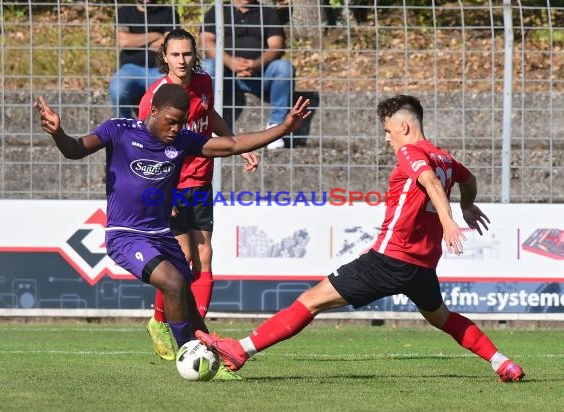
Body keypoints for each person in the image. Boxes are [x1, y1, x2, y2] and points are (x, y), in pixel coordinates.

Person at [195, 95, 525, 383]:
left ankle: (240, 351)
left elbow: (430, 183)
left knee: (311, 300)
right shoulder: (444, 157)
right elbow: (469, 180)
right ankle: (502, 362)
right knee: (442, 317)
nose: (387, 138)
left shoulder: (410, 152)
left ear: (405, 128)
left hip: (389, 258)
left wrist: (449, 220)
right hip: (421, 265)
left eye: (388, 130)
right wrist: (467, 204)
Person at [34, 83, 310, 376]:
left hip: (162, 236)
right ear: (153, 111)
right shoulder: (119, 130)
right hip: (125, 235)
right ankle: (188, 355)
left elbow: (232, 145)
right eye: (171, 121)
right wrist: (59, 134)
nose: (177, 128)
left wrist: (284, 128)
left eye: (182, 122)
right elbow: (76, 150)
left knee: (189, 305)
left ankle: (214, 363)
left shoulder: (182, 140)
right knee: (174, 283)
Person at [137, 28, 259, 366]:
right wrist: (161, 189)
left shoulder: (203, 81)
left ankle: (199, 336)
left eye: (187, 54)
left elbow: (210, 116)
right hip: (172, 185)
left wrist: (235, 145)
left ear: (194, 55)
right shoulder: (157, 96)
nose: (182, 60)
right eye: (175, 55)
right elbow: (142, 147)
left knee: (204, 257)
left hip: (201, 182)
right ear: (164, 56)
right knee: (184, 260)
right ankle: (160, 322)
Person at [199, 0, 295, 149]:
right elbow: (205, 41)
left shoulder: (268, 13)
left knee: (283, 68)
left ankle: (275, 126)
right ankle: (209, 125)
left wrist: (254, 64)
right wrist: (231, 62)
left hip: (259, 74)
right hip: (224, 75)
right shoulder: (218, 10)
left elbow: (277, 46)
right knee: (207, 66)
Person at [109, 0, 179, 119]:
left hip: (161, 69)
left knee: (171, 96)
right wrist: (156, 35)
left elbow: (171, 45)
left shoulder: (169, 12)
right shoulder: (124, 11)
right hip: (130, 69)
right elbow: (123, 41)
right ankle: (125, 130)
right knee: (117, 89)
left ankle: (158, 135)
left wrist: (136, 42)